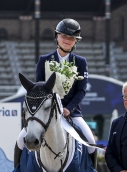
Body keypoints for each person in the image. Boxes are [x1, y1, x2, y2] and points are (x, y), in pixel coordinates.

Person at [18, 19, 95, 152]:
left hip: (71, 113)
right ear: (57, 36)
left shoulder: (81, 62)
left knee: (91, 142)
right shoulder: (44, 60)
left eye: (72, 38)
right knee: (20, 141)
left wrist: (68, 108)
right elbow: (39, 89)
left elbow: (81, 90)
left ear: (76, 41)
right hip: (46, 112)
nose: (67, 40)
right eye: (64, 36)